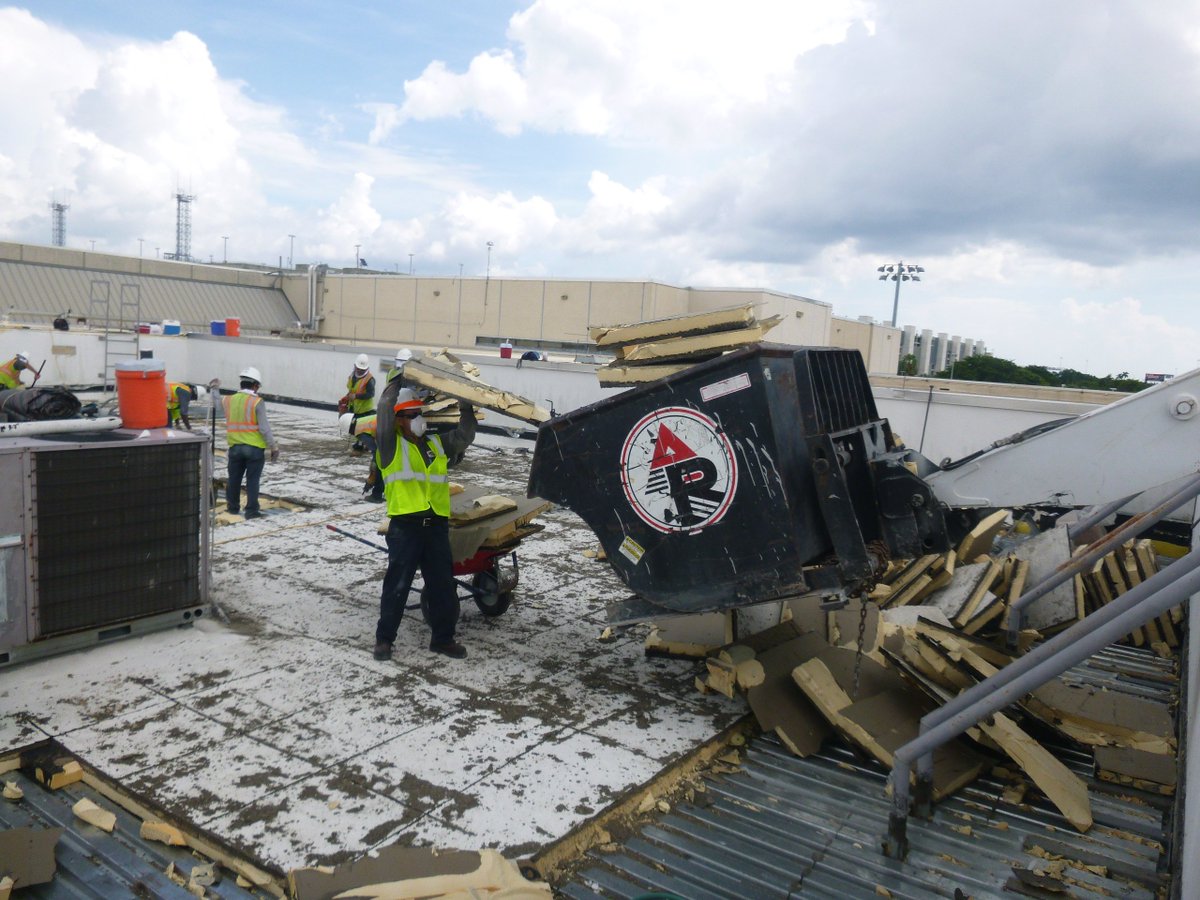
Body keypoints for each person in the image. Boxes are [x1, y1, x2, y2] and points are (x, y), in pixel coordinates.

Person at [374, 388, 476, 662]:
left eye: (420, 413)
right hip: (406, 526)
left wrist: (466, 404)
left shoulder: (434, 444)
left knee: (442, 585)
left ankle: (443, 639)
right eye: (411, 415)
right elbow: (384, 409)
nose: (419, 419)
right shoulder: (389, 444)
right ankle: (384, 640)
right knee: (398, 585)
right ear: (398, 420)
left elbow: (463, 437)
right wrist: (399, 377)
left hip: (435, 526)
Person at [222, 366, 279, 520]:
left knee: (233, 479)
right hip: (254, 450)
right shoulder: (257, 402)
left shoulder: (228, 400)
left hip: (234, 448)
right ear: (255, 386)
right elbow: (264, 428)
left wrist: (214, 390)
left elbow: (215, 403)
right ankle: (251, 511)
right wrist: (273, 446)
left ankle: (233, 508)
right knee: (252, 480)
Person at [339, 411, 384, 502]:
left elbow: (377, 451)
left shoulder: (359, 431)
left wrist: (372, 475)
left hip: (389, 438)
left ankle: (376, 495)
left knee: (379, 466)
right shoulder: (362, 420)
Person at [340, 354, 375, 452]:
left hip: (365, 409)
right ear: (355, 366)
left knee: (361, 429)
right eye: (358, 368)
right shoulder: (352, 376)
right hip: (354, 407)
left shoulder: (369, 379)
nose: (359, 370)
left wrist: (356, 396)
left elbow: (370, 394)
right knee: (355, 427)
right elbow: (351, 389)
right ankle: (362, 444)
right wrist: (347, 397)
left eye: (361, 369)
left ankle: (360, 446)